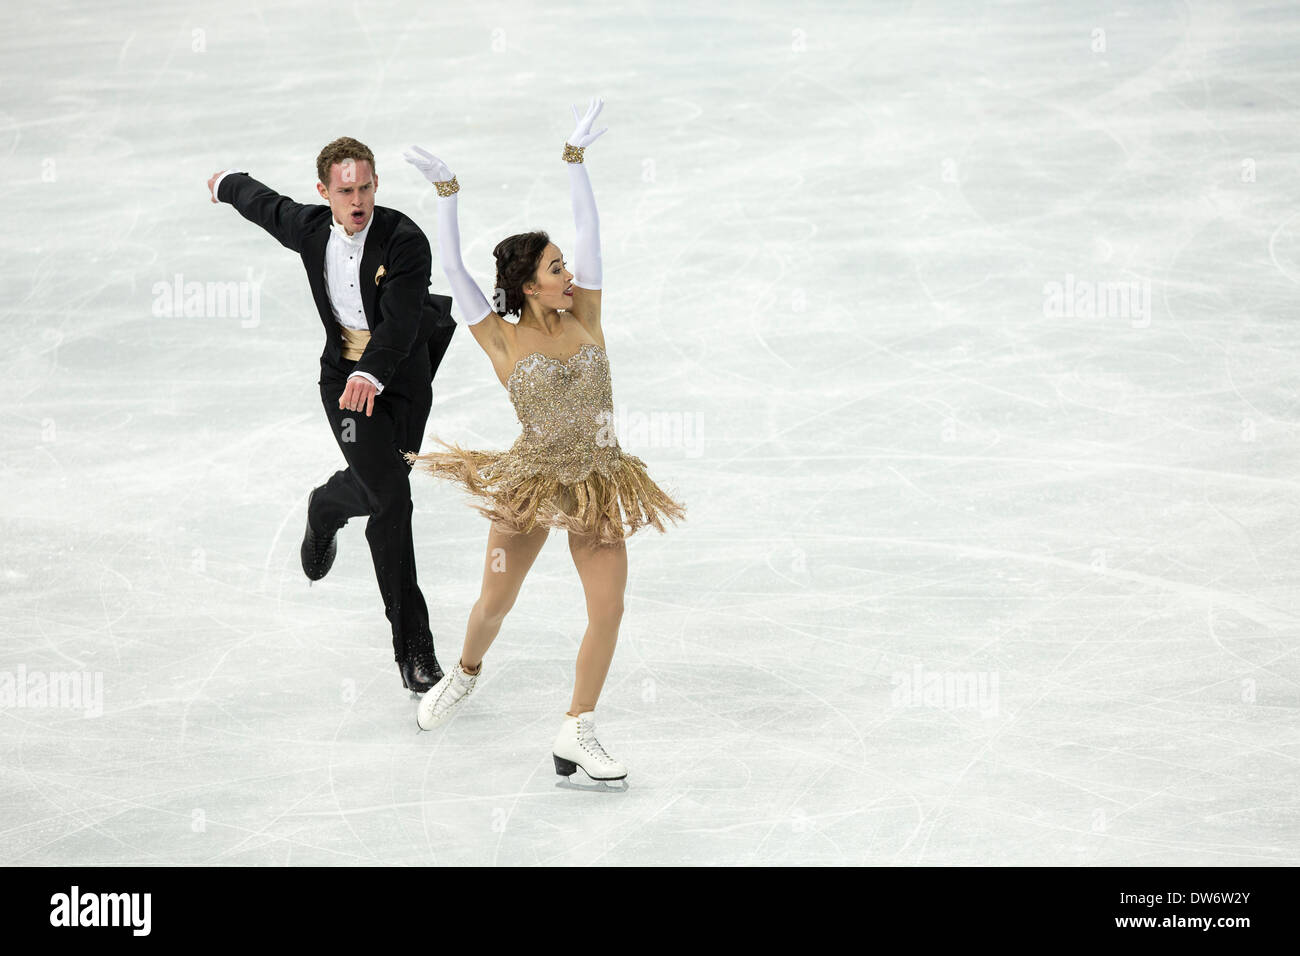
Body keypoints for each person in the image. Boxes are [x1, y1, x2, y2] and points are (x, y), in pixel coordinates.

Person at [402, 98, 685, 783]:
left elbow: (591, 229)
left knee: (609, 609)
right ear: (529, 286)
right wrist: (447, 194)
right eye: (557, 268)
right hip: (533, 484)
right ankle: (465, 673)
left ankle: (576, 728)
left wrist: (574, 159)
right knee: (495, 601)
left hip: (596, 481)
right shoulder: (500, 337)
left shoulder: (585, 311)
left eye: (566, 265)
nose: (571, 274)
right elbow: (455, 271)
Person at [206, 137, 456, 695]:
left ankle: (326, 505)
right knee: (392, 499)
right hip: (344, 386)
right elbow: (266, 205)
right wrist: (226, 184)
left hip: (401, 379)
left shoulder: (404, 238)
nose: (358, 199)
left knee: (384, 484)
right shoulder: (311, 228)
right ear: (325, 191)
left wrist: (375, 373)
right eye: (346, 190)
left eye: (366, 186)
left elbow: (399, 320)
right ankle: (415, 652)